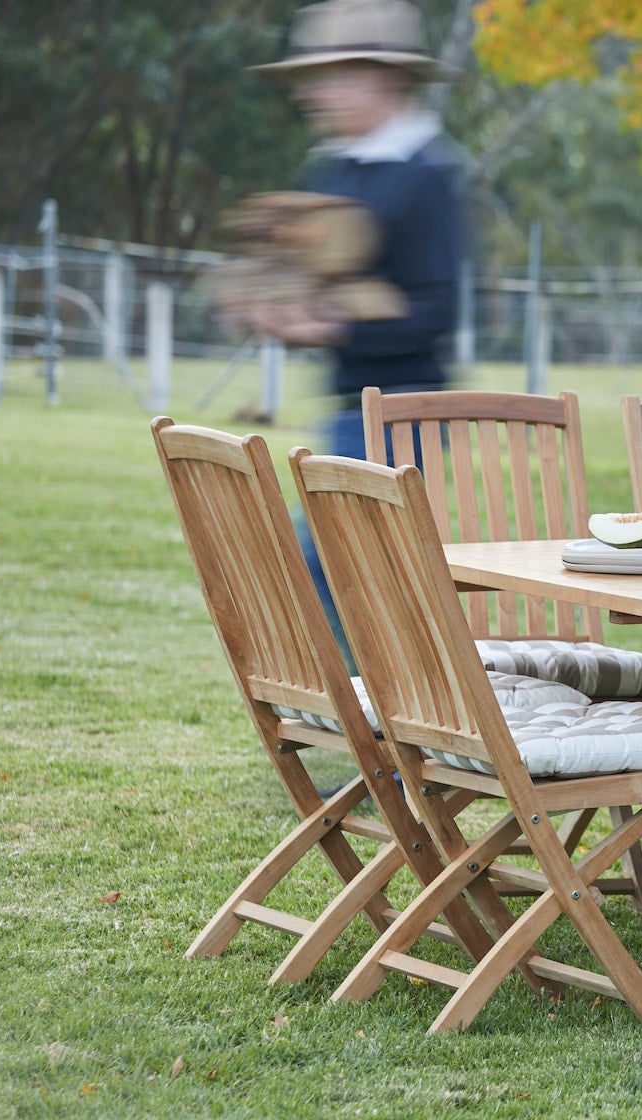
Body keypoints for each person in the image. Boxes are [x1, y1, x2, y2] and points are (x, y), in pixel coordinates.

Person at [246, 0, 465, 661]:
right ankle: (376, 724)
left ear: (384, 78)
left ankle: (395, 727)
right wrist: (283, 312)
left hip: (404, 412)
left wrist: (333, 329)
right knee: (328, 569)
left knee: (349, 571)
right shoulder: (335, 166)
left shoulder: (429, 173)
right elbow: (321, 278)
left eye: (333, 76)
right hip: (346, 410)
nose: (316, 93)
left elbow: (436, 311)